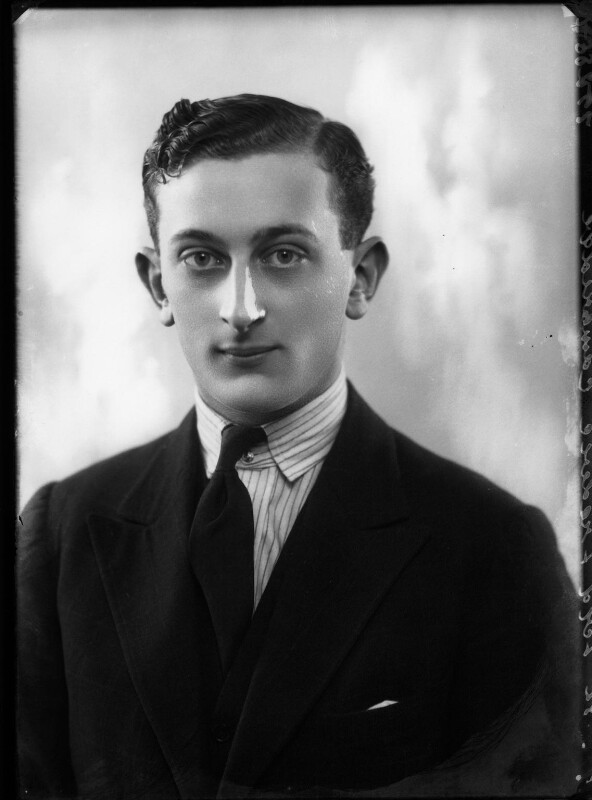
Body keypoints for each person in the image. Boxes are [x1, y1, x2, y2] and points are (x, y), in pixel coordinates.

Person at [17, 94, 579, 799]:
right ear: (158, 285)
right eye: (201, 258)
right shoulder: (63, 533)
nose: (241, 308)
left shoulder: (494, 546)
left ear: (361, 276)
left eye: (284, 255)